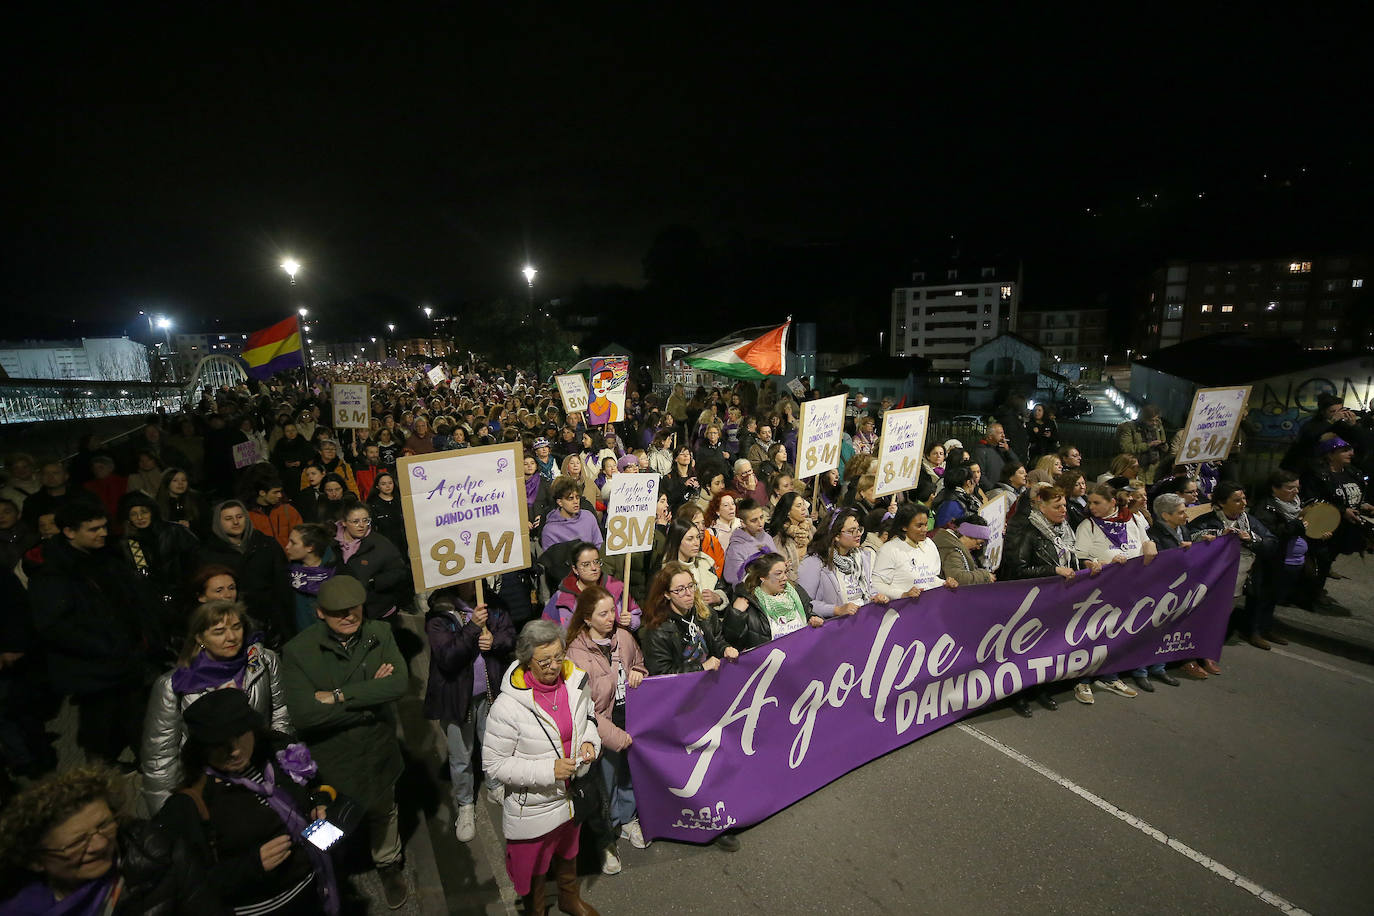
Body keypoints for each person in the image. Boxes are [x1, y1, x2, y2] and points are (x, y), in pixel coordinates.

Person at [281, 576, 410, 909]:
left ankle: (388, 863)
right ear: (320, 612)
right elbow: (305, 716)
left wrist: (338, 696)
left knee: (384, 812)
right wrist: (371, 701)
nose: (349, 616)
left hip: (378, 750)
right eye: (338, 611)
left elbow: (398, 684)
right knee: (329, 824)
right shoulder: (299, 651)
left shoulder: (379, 633)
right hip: (334, 760)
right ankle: (326, 872)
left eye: (354, 608)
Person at [156, 689, 339, 915]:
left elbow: (316, 785)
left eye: (240, 735)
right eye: (220, 743)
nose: (234, 751)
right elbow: (188, 885)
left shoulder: (279, 751)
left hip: (319, 890)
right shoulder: (191, 803)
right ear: (202, 748)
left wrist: (320, 804)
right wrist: (251, 866)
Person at [482, 620, 603, 916]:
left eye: (558, 657)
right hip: (533, 806)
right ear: (527, 659)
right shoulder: (507, 707)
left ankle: (568, 899)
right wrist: (549, 771)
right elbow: (494, 764)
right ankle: (536, 911)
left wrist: (590, 742)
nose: (554, 666)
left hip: (571, 796)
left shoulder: (575, 682)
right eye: (545, 661)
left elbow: (589, 718)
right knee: (532, 868)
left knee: (569, 851)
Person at [0, 764, 229, 915]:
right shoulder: (12, 902)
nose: (101, 845)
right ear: (35, 860)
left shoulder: (163, 856)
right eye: (78, 842)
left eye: (104, 825)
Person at [139, 598, 293, 815]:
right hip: (211, 786)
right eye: (219, 631)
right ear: (200, 638)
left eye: (236, 627)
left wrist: (281, 767)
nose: (231, 637)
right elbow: (160, 759)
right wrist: (170, 816)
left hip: (261, 772)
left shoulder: (264, 662)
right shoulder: (173, 685)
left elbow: (280, 714)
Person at [29, 500, 150, 768]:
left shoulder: (108, 557)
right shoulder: (53, 571)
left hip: (126, 661)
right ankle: (99, 783)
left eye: (104, 526)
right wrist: (105, 647)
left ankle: (153, 774)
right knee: (99, 733)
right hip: (92, 669)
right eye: (93, 529)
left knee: (139, 725)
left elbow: (131, 600)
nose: (103, 533)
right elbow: (54, 626)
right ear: (69, 532)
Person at [564, 585, 651, 876]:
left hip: (631, 720)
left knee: (628, 776)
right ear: (586, 618)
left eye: (611, 610)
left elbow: (640, 665)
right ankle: (604, 838)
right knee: (604, 786)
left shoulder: (624, 638)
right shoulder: (575, 654)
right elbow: (584, 707)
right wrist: (615, 736)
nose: (611, 617)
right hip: (601, 729)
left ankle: (627, 820)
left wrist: (639, 672)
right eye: (602, 614)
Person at [425, 586, 516, 845]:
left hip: (491, 693)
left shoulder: (492, 603)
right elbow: (447, 657)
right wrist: (473, 627)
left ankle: (495, 785)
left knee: (493, 744)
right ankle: (465, 804)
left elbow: (511, 637)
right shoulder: (439, 614)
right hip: (456, 699)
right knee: (461, 756)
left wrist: (495, 642)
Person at [1002, 485, 1101, 709]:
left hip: (1057, 600)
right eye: (1057, 506)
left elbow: (1069, 557)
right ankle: (1018, 695)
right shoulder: (1027, 531)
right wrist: (1053, 571)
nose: (1064, 510)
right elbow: (1018, 569)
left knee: (1047, 649)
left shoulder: (1064, 529)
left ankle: (1041, 690)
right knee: (1025, 650)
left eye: (1064, 505)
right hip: (1032, 602)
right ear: (1042, 506)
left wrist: (1084, 563)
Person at [1073, 483, 1162, 694]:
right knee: (1094, 635)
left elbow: (1145, 542)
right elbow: (1079, 559)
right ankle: (1083, 679)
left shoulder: (1133, 519)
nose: (1091, 507)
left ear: (1112, 502)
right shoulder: (1088, 525)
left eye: (1097, 502)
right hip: (1100, 590)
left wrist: (1151, 545)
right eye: (1090, 502)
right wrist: (1102, 563)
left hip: (1131, 587)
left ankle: (1110, 677)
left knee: (1118, 633)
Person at [1188, 482, 1280, 651]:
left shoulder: (1250, 522)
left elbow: (1271, 542)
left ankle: (1206, 651)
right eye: (1237, 500)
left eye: (1244, 498)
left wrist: (1251, 539)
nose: (1244, 503)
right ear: (1221, 503)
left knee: (1220, 619)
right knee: (1200, 617)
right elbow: (1189, 539)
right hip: (1209, 581)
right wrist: (1217, 535)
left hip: (1238, 580)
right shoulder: (1206, 521)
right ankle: (1191, 652)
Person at [1147, 492, 1219, 682]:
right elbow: (1157, 563)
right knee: (1160, 630)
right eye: (1180, 512)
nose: (1186, 515)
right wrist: (1180, 552)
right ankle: (1151, 667)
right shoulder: (1153, 535)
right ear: (1166, 516)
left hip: (1185, 587)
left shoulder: (1183, 530)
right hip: (1165, 590)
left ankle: (1181, 660)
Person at [199, 500, 294, 642]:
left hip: (271, 622)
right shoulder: (208, 553)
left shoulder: (268, 545)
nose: (235, 522)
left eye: (239, 516)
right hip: (229, 623)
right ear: (218, 522)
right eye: (228, 518)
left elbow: (283, 586)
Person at [1300, 436, 1373, 614]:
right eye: (1345, 450)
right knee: (1321, 558)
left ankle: (1315, 590)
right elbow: (1312, 499)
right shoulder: (1317, 474)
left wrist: (1363, 505)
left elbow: (1354, 495)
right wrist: (1342, 510)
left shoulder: (1353, 472)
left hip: (1345, 526)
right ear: (1330, 454)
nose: (1351, 453)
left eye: (1351, 449)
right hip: (1324, 523)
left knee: (1328, 559)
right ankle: (1310, 595)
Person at [798, 507, 890, 619]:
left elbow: (868, 589)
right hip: (834, 624)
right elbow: (805, 603)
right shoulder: (814, 562)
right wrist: (837, 610)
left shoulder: (862, 557)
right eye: (851, 531)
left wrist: (875, 597)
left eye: (859, 529)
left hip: (862, 620)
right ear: (836, 536)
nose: (858, 534)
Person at [724, 552, 822, 651]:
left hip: (803, 653)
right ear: (763, 577)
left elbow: (808, 612)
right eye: (778, 574)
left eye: (785, 572)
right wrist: (736, 614)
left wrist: (813, 618)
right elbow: (733, 641)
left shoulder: (796, 591)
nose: (785, 578)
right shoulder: (748, 603)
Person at [543, 541, 642, 631]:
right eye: (586, 564)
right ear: (575, 569)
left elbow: (636, 614)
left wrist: (631, 620)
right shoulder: (561, 597)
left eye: (596, 562)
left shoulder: (616, 587)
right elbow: (547, 630)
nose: (594, 568)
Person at [335, 503, 410, 620]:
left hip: (376, 611)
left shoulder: (381, 544)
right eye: (355, 521)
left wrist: (374, 582)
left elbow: (399, 571)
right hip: (342, 611)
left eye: (366, 520)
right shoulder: (331, 543)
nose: (362, 525)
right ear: (343, 522)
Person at [873, 503, 958, 599]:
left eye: (926, 524)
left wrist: (944, 583)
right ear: (904, 527)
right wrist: (903, 594)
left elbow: (930, 579)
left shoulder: (929, 544)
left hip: (929, 603)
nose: (925, 529)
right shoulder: (889, 549)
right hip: (902, 606)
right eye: (919, 526)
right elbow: (877, 584)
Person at [284, 523, 342, 634]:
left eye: (293, 543)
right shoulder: (289, 573)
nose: (287, 547)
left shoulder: (337, 573)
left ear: (310, 547)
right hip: (299, 638)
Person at [661, 518, 728, 609]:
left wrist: (718, 598)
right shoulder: (664, 570)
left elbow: (722, 588)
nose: (696, 543)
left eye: (697, 537)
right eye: (690, 539)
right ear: (677, 541)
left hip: (712, 615)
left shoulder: (706, 562)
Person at [719, 497, 778, 586]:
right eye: (754, 520)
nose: (760, 523)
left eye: (761, 517)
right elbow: (734, 580)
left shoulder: (767, 537)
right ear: (743, 523)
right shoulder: (735, 548)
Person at [541, 476, 604, 551]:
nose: (575, 502)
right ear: (560, 502)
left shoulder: (588, 517)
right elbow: (550, 557)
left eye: (577, 497)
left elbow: (599, 545)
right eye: (570, 498)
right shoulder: (550, 530)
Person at [245, 472, 303, 551]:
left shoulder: (288, 510)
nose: (280, 495)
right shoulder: (248, 515)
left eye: (280, 491)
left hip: (290, 556)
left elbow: (301, 535)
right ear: (262, 493)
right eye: (275, 492)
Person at [933, 515, 997, 586]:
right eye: (979, 543)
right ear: (967, 535)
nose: (978, 547)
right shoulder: (953, 552)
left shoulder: (956, 548)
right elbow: (957, 578)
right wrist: (984, 576)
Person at [766, 492, 813, 583]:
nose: (804, 508)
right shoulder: (779, 538)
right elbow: (782, 570)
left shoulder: (810, 529)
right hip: (794, 583)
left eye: (803, 504)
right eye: (799, 506)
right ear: (788, 511)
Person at [1117, 405, 1168, 484]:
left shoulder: (1158, 426)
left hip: (1153, 469)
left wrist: (1163, 446)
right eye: (1151, 420)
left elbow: (1164, 442)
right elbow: (1126, 448)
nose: (1154, 423)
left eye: (1156, 420)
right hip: (1136, 468)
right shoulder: (1129, 427)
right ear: (1143, 419)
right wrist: (1148, 445)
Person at [154, 468, 209, 538]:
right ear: (167, 483)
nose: (180, 483)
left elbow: (206, 523)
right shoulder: (158, 503)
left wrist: (190, 525)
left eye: (184, 480)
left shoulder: (196, 499)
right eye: (175, 480)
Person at [366, 469, 408, 557]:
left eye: (390, 483)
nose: (388, 486)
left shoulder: (401, 500)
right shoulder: (372, 505)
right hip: (385, 544)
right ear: (377, 486)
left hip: (405, 542)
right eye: (383, 484)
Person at [972, 422, 1020, 492]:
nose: (1003, 436)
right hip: (991, 491)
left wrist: (1008, 451)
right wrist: (993, 489)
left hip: (1004, 490)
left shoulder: (1002, 450)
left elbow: (1016, 465)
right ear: (990, 436)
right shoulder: (980, 451)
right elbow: (980, 474)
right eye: (1000, 433)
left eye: (1003, 433)